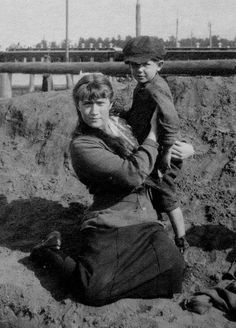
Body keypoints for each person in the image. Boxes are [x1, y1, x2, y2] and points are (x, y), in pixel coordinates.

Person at [30, 73, 185, 306]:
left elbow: (157, 147)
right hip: (110, 222)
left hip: (144, 218)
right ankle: (49, 251)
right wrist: (153, 134)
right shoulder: (82, 145)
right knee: (93, 292)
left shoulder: (121, 125)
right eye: (87, 104)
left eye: (100, 103)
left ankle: (121, 278)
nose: (94, 111)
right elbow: (133, 174)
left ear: (110, 104)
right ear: (78, 106)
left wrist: (182, 148)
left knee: (175, 272)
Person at [122, 36, 194, 252]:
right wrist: (121, 112)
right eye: (134, 65)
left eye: (145, 65)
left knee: (167, 196)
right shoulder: (142, 86)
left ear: (159, 65)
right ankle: (156, 227)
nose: (139, 70)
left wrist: (167, 151)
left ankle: (181, 240)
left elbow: (170, 120)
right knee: (151, 190)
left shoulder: (156, 88)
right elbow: (137, 115)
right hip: (150, 150)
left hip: (162, 153)